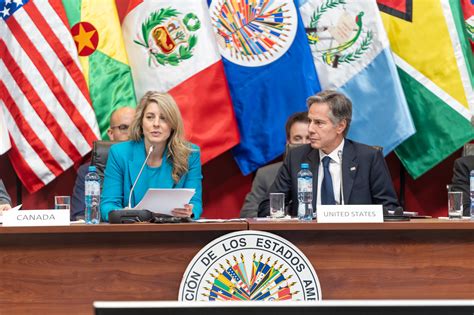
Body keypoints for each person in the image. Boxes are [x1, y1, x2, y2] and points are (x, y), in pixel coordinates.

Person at [258, 90, 400, 217]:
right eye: (310, 121)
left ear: (340, 126)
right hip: (306, 238)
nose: (310, 129)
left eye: (319, 123)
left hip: (357, 239)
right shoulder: (296, 157)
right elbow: (267, 207)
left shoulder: (368, 158)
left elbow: (389, 209)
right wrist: (296, 214)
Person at [101, 91, 202, 221]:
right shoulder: (120, 153)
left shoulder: (190, 154)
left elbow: (196, 203)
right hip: (130, 233)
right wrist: (121, 214)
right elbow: (107, 205)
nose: (156, 124)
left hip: (174, 233)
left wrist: (190, 211)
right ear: (141, 123)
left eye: (164, 118)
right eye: (149, 117)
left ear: (172, 125)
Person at [70, 107, 136, 220]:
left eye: (135, 127)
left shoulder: (147, 165)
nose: (130, 134)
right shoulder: (88, 172)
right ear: (111, 133)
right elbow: (79, 215)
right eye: (124, 128)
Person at [240, 112, 310, 218]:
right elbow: (248, 213)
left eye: (308, 138)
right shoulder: (265, 174)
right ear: (288, 141)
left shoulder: (325, 169)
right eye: (297, 138)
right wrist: (287, 217)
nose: (303, 143)